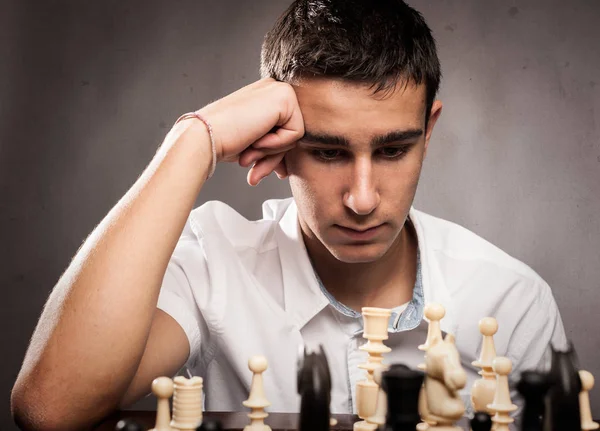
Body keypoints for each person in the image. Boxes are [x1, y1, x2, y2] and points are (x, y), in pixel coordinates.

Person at [11, 1, 566, 430]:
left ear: (429, 130)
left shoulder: (510, 299)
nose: (363, 198)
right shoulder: (212, 269)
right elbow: (50, 412)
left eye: (394, 149)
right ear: (277, 144)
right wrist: (193, 139)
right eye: (328, 152)